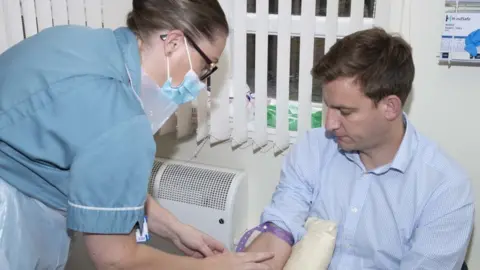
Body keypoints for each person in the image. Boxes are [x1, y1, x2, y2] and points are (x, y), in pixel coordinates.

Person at [0, 0, 273, 269]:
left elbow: (106, 177)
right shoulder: (121, 121)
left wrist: (176, 229)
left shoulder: (74, 40)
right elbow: (115, 259)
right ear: (174, 43)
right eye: (205, 67)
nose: (200, 83)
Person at [243, 28, 475, 269]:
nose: (329, 124)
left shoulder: (445, 189)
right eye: (328, 107)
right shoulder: (314, 148)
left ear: (390, 107)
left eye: (345, 112)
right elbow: (280, 228)